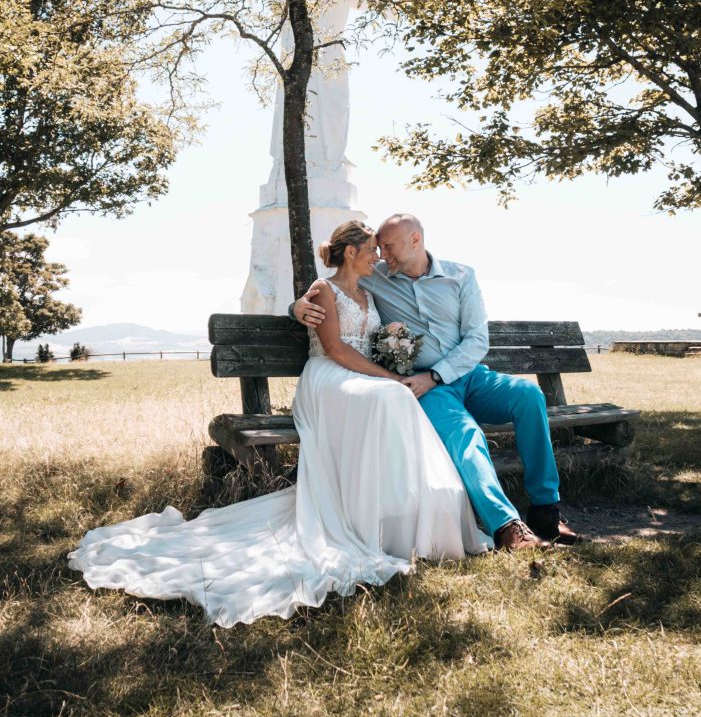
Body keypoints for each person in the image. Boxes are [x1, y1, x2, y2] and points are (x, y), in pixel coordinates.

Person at [69, 221, 491, 625]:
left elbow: (375, 340)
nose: (378, 259)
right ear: (350, 252)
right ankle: (365, 521)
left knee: (393, 399)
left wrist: (391, 369)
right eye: (370, 252)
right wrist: (389, 376)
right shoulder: (323, 291)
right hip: (329, 378)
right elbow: (337, 351)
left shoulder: (369, 290)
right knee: (390, 396)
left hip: (361, 379)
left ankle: (403, 515)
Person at [291, 213, 582, 549]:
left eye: (389, 246)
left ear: (416, 240)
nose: (383, 254)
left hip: (467, 376)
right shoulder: (377, 276)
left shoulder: (461, 277)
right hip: (425, 387)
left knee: (529, 395)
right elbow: (334, 285)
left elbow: (476, 340)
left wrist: (436, 374)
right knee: (465, 434)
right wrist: (295, 306)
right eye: (379, 247)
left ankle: (546, 510)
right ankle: (506, 526)